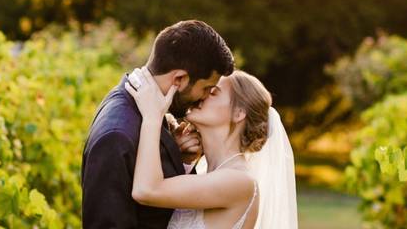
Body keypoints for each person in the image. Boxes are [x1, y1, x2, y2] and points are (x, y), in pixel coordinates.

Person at [82, 20, 235, 228]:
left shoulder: (151, 108)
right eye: (207, 88)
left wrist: (181, 161)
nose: (206, 97)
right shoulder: (117, 135)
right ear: (179, 79)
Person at [125, 65, 298, 229]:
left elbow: (146, 191)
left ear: (238, 113)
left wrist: (152, 116)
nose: (202, 95)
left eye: (213, 92)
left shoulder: (240, 182)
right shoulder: (210, 175)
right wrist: (183, 160)